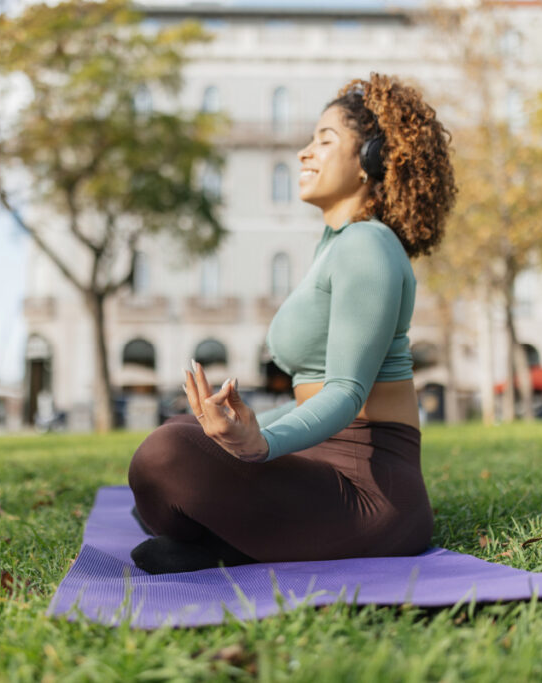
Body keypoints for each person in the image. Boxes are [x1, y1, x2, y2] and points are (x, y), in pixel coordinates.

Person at [127, 73, 458, 574]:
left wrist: (261, 445)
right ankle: (236, 542)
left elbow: (346, 392)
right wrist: (234, 434)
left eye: (325, 141)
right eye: (309, 139)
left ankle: (230, 540)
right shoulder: (337, 247)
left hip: (370, 492)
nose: (304, 153)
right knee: (183, 435)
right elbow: (306, 396)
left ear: (370, 159)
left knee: (165, 456)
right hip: (319, 464)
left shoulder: (368, 246)